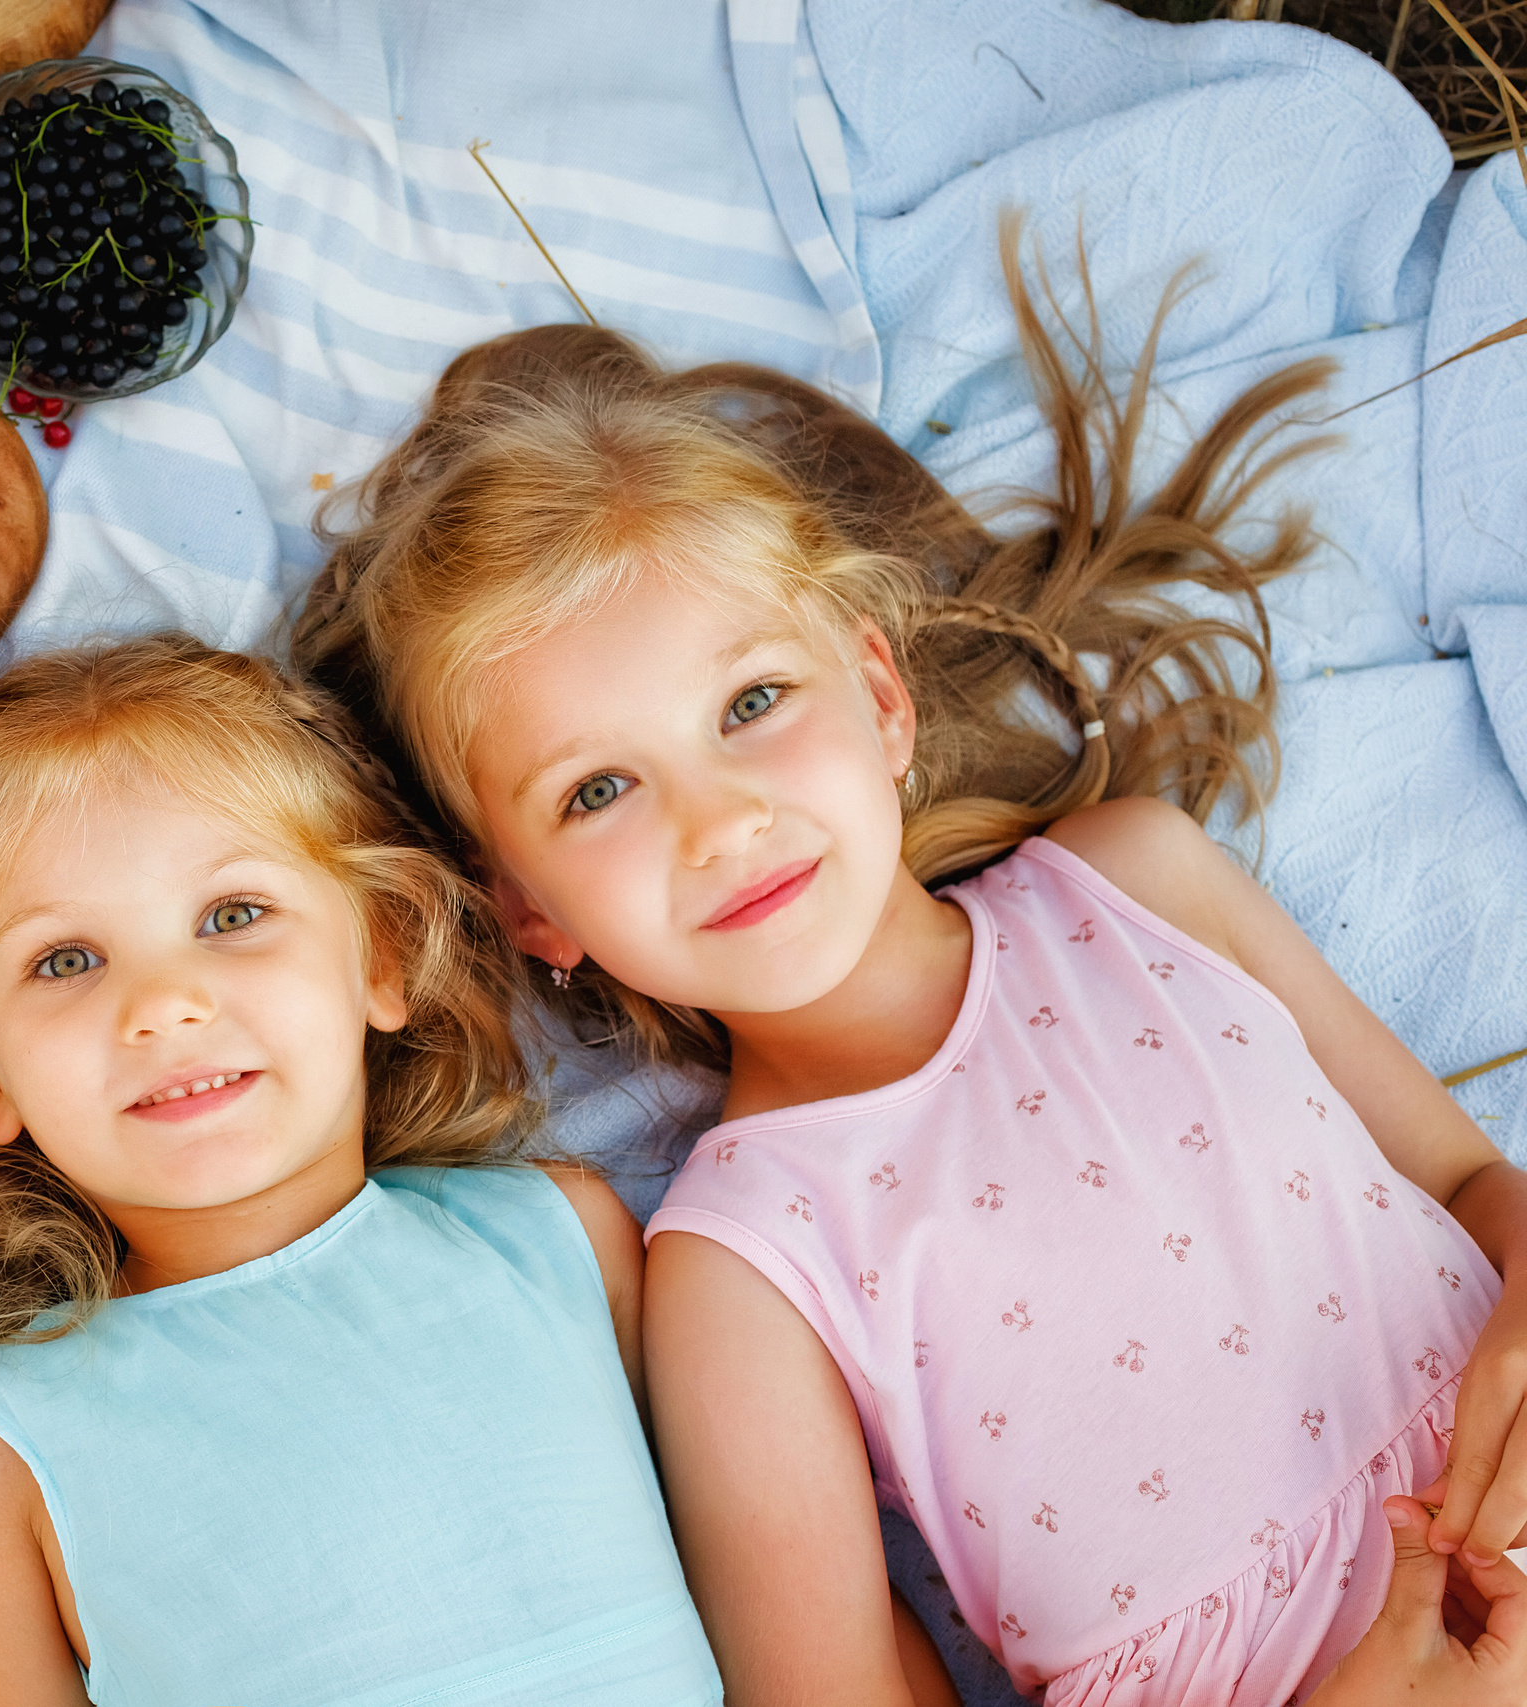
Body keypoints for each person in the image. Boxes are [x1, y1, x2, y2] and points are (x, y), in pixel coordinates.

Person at [296, 228, 1527, 1705]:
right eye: (597, 791)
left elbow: (1465, 1181)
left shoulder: (1140, 879)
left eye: (752, 698)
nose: (719, 817)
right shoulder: (738, 1269)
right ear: (532, 914)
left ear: (878, 699)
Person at [0, 636, 735, 1704]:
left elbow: (771, 1603)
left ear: (378, 960)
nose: (163, 1004)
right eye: (64, 960)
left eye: (232, 916)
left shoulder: (563, 1238)